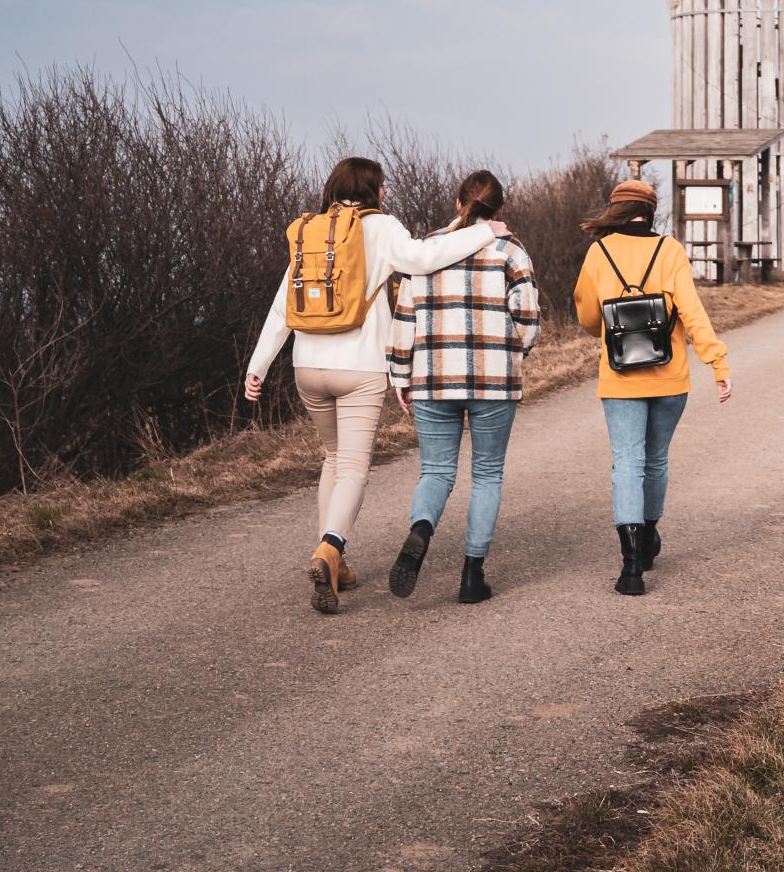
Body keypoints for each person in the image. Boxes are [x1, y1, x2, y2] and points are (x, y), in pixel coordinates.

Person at [244, 155, 500, 613]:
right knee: (353, 468)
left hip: (307, 366)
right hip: (358, 368)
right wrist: (484, 232)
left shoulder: (311, 231)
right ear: (372, 190)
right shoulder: (380, 227)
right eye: (382, 186)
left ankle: (335, 563)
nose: (385, 193)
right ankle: (329, 548)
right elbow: (422, 259)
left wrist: (258, 366)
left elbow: (283, 304)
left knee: (332, 458)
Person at [385, 169, 540, 606]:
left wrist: (400, 375)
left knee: (436, 471)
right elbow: (527, 318)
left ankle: (421, 528)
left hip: (433, 378)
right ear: (500, 208)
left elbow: (405, 317)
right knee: (487, 473)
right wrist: (514, 353)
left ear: (458, 203)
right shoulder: (511, 249)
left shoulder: (427, 249)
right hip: (494, 381)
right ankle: (472, 575)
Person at [573, 175, 732, 596]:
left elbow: (587, 315)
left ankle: (631, 568)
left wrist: (608, 325)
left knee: (627, 462)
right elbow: (692, 311)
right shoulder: (670, 250)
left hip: (619, 376)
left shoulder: (599, 252)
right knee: (656, 460)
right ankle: (647, 538)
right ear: (651, 211)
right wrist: (716, 362)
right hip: (669, 375)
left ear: (616, 209)